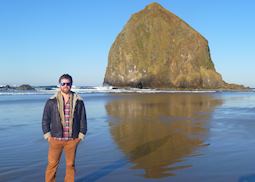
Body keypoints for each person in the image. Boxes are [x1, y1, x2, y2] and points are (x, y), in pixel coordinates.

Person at [42, 74, 87, 182]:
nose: (66, 85)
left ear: (71, 84)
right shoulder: (51, 101)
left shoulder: (79, 101)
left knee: (70, 165)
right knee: (52, 165)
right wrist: (48, 136)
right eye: (63, 83)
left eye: (68, 83)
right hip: (55, 139)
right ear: (60, 85)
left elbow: (83, 119)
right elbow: (45, 120)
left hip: (72, 140)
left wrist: (80, 136)